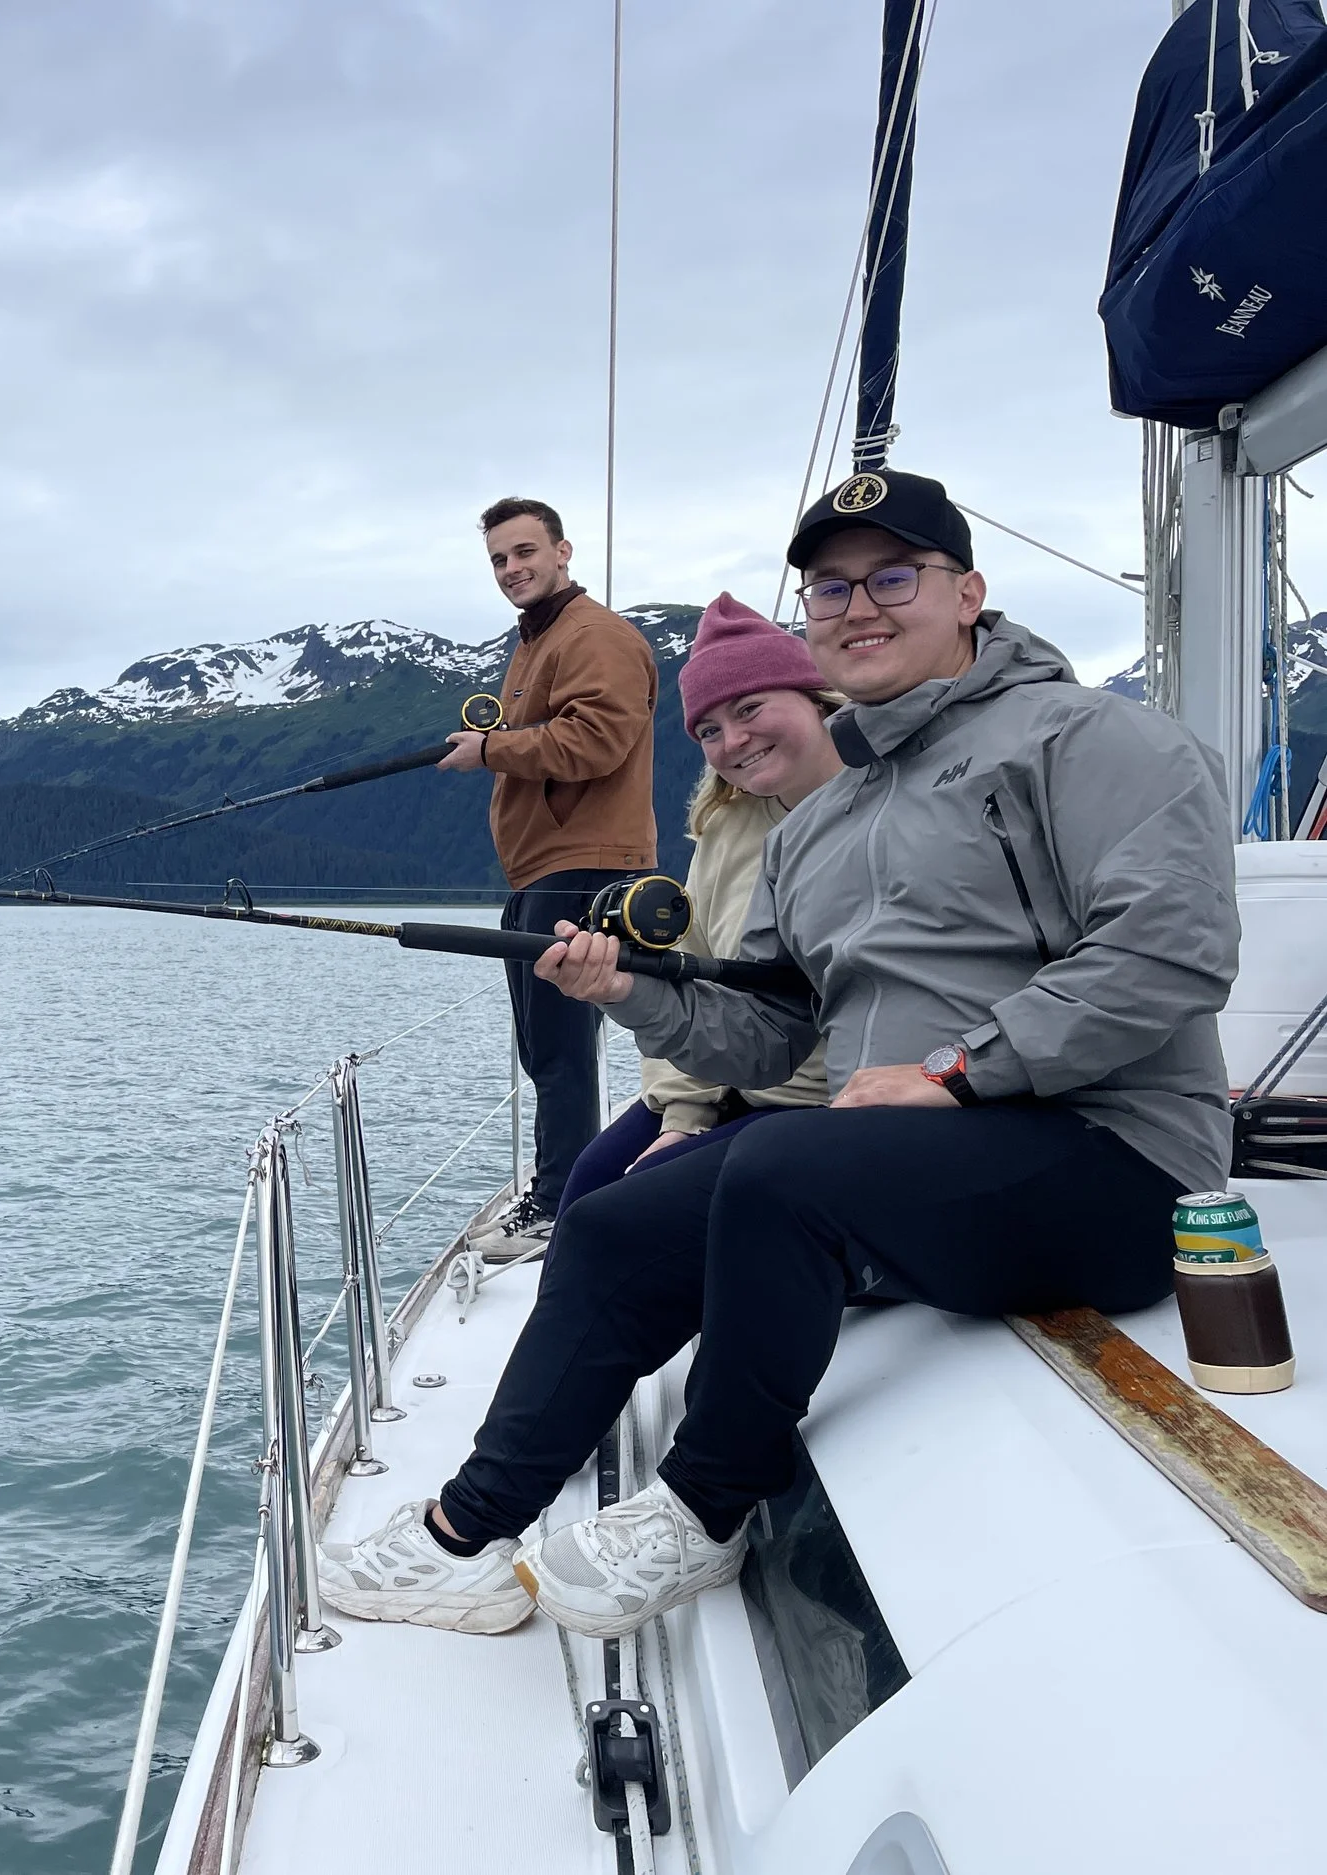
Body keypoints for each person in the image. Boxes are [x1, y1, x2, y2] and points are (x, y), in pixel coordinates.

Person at [325, 468, 1236, 1640]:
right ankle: (467, 1529)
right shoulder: (825, 820)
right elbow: (772, 1026)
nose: (856, 607)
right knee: (611, 1225)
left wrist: (958, 1069)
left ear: (968, 592)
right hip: (901, 1168)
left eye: (891, 576)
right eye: (829, 589)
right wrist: (635, 997)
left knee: (783, 1167)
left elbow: (1169, 953)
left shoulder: (1093, 738)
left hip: (1114, 1161)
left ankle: (705, 1509)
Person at [552, 593, 840, 1219]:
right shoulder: (726, 828)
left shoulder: (885, 806)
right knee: (588, 1186)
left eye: (750, 707)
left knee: (629, 1217)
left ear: (816, 697)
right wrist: (684, 1114)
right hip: (726, 1082)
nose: (734, 739)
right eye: (708, 729)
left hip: (823, 1107)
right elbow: (689, 968)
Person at [438, 497, 659, 1241]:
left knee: (561, 1051)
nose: (511, 569)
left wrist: (492, 750)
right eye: (499, 559)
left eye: (525, 552)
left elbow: (596, 740)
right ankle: (563, 1186)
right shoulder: (536, 641)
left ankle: (561, 1202)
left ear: (564, 551)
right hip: (541, 870)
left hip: (584, 866)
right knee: (546, 1049)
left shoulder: (596, 635)